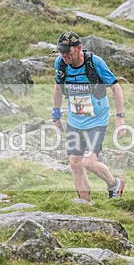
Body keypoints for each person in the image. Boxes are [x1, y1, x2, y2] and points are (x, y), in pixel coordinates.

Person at [51, 31, 126, 203]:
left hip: (97, 120)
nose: (64, 56)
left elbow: (116, 87)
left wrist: (120, 118)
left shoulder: (95, 63)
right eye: (61, 52)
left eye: (67, 51)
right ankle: (85, 204)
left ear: (78, 48)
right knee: (75, 163)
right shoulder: (60, 64)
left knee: (89, 163)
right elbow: (57, 87)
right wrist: (56, 116)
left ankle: (114, 184)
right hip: (75, 120)